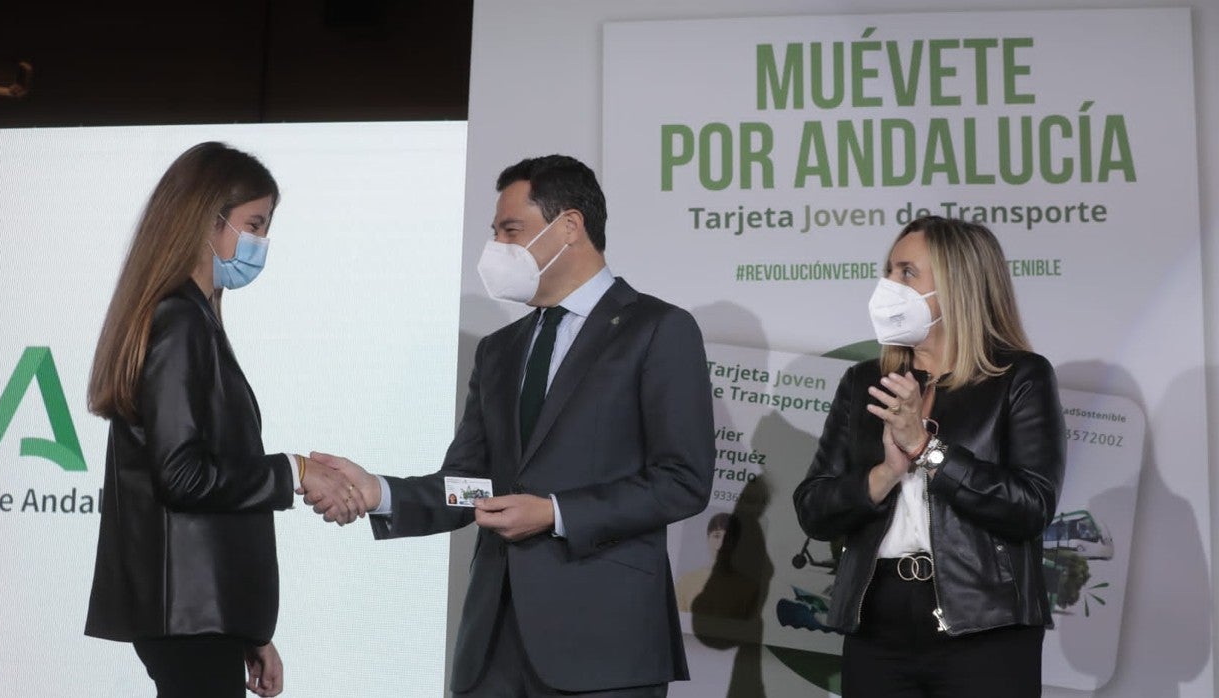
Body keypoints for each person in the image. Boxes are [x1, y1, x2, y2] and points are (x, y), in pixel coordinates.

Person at [310, 154, 715, 696]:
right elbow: (472, 482)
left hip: (604, 644)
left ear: (569, 226)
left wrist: (556, 514)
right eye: (495, 231)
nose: (497, 246)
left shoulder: (658, 329)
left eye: (510, 230)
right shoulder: (500, 350)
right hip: (492, 646)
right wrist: (380, 491)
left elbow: (682, 480)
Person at [83, 142, 365, 698]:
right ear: (206, 221)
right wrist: (293, 470)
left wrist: (248, 630)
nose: (261, 241)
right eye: (254, 223)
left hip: (202, 618)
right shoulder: (178, 321)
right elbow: (183, 476)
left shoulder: (195, 320)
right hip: (186, 619)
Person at [793, 216, 1066, 697]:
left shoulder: (1019, 377)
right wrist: (883, 474)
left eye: (906, 273)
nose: (889, 287)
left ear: (958, 283)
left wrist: (926, 449)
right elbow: (814, 509)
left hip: (985, 623)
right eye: (889, 272)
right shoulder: (864, 383)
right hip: (877, 620)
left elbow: (1029, 507)